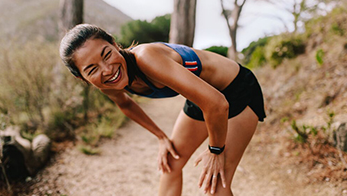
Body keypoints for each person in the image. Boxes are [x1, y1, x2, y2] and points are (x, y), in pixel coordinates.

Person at [59, 24, 266, 196]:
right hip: (202, 99)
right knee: (170, 165)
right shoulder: (107, 84)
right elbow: (125, 104)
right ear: (81, 77)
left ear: (115, 44)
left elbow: (217, 104)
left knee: (216, 186)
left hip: (236, 89)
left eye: (107, 55)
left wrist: (216, 150)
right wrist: (160, 137)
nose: (107, 69)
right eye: (92, 69)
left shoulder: (146, 57)